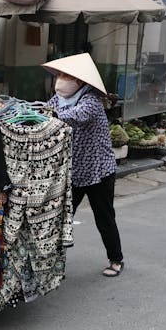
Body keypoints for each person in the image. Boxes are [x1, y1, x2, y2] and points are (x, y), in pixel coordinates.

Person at [41, 53, 124, 277]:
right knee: (61, 218)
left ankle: (116, 259)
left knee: (104, 217)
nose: (60, 80)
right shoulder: (59, 99)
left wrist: (49, 115)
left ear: (79, 81)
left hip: (99, 172)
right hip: (74, 171)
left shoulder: (91, 101)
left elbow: (76, 116)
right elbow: (46, 111)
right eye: (59, 74)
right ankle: (51, 264)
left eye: (65, 76)